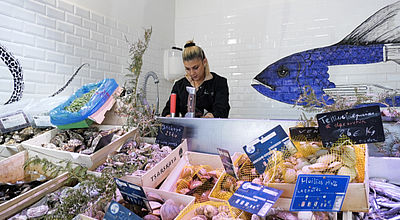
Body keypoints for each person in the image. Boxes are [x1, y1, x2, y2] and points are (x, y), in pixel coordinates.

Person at [162, 40, 230, 118]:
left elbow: (222, 110)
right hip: (186, 129)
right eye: (187, 69)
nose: (192, 73)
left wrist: (211, 116)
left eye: (195, 68)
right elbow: (168, 110)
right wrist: (168, 117)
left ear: (204, 62)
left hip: (211, 128)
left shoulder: (219, 83)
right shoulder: (179, 86)